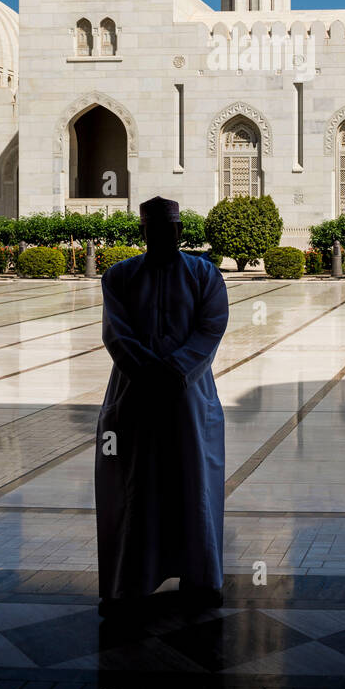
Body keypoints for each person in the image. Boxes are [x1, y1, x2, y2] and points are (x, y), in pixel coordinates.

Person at [94, 196, 229, 624]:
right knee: (137, 486)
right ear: (144, 234)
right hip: (135, 395)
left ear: (178, 233)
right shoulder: (120, 276)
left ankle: (200, 578)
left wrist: (174, 369)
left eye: (166, 232)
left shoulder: (204, 275)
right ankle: (130, 581)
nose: (160, 239)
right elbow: (116, 332)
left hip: (188, 397)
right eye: (152, 232)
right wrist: (148, 372)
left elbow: (211, 327)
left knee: (193, 484)